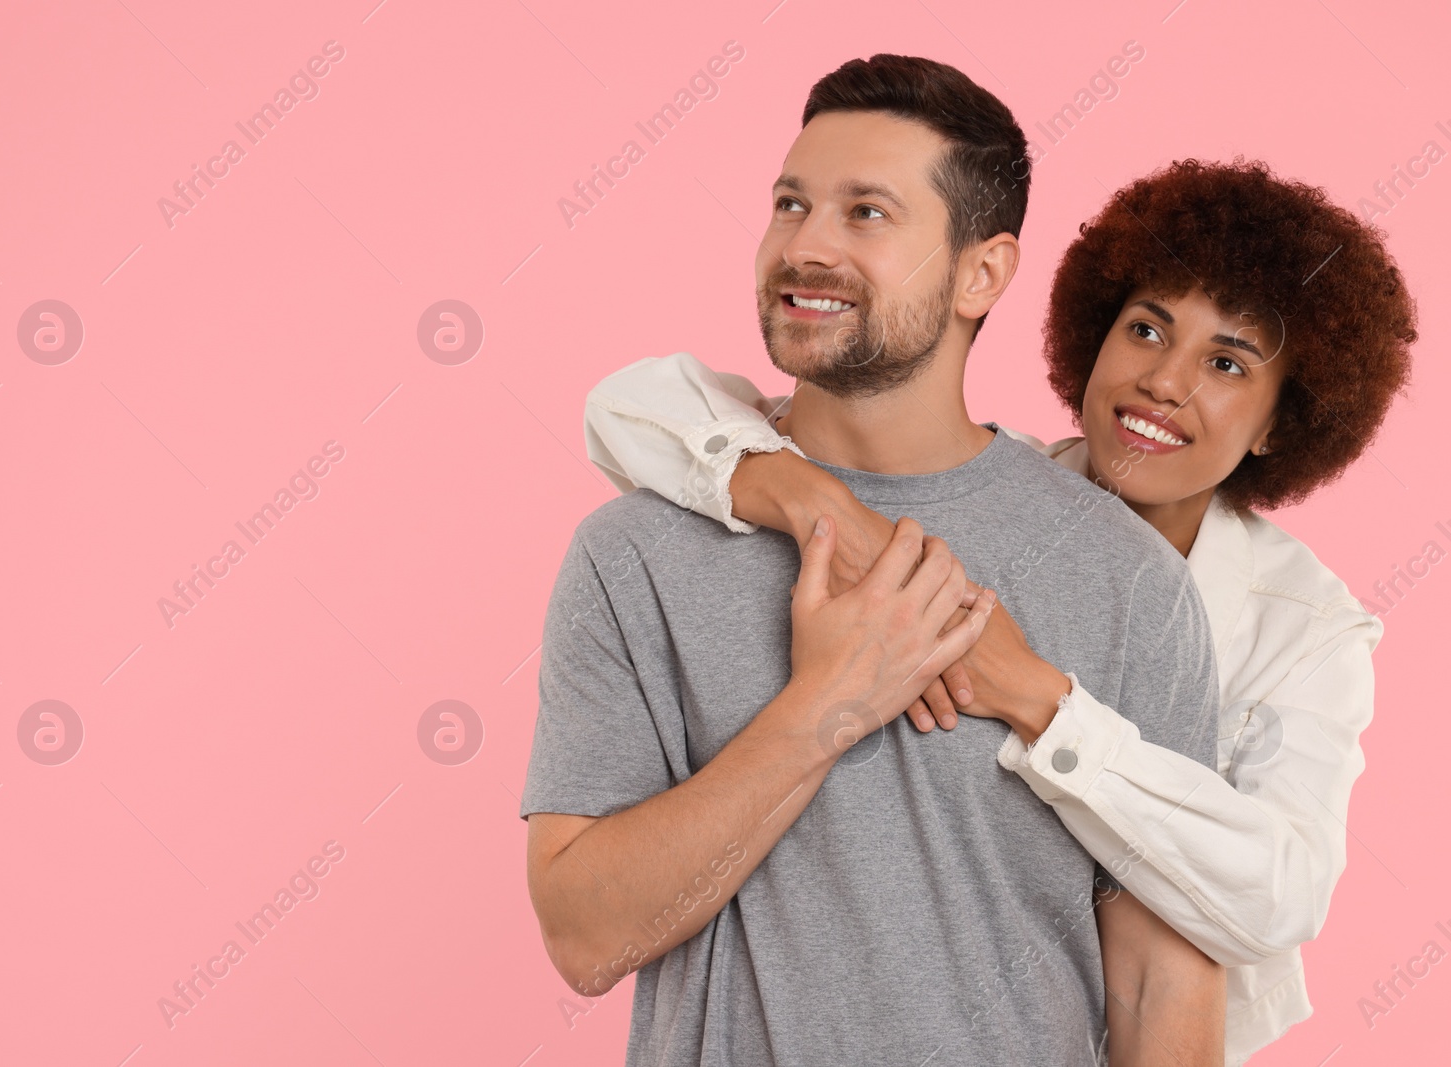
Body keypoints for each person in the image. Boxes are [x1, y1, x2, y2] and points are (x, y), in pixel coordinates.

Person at [581, 157, 1417, 1064]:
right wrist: (804, 497)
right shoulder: (965, 487)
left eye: (1225, 362)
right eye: (1145, 329)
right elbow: (629, 405)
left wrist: (1042, 703)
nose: (1165, 382)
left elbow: (1276, 894)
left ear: (1277, 425)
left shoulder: (1304, 625)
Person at [522, 54, 1227, 1066]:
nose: (805, 246)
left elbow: (1160, 979)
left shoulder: (1124, 579)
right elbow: (587, 938)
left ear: (981, 273)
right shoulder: (636, 554)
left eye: (865, 214)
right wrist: (829, 706)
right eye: (789, 204)